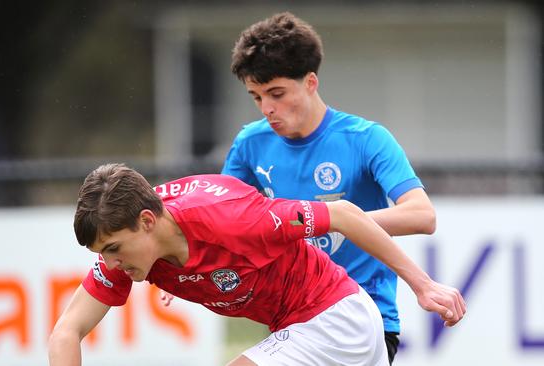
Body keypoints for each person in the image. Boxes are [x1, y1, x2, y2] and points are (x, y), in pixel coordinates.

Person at [48, 163, 465, 366]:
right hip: (301, 331)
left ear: (147, 221)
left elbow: (344, 215)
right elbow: (67, 332)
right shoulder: (135, 242)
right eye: (103, 253)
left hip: (336, 320)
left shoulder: (232, 217)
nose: (112, 263)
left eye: (115, 248)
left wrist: (423, 285)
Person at [222, 12, 436, 363]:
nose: (267, 109)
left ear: (310, 82)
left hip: (361, 314)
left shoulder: (365, 139)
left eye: (276, 93)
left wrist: (335, 220)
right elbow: (222, 220)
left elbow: (422, 214)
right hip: (290, 318)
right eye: (256, 97)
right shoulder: (250, 143)